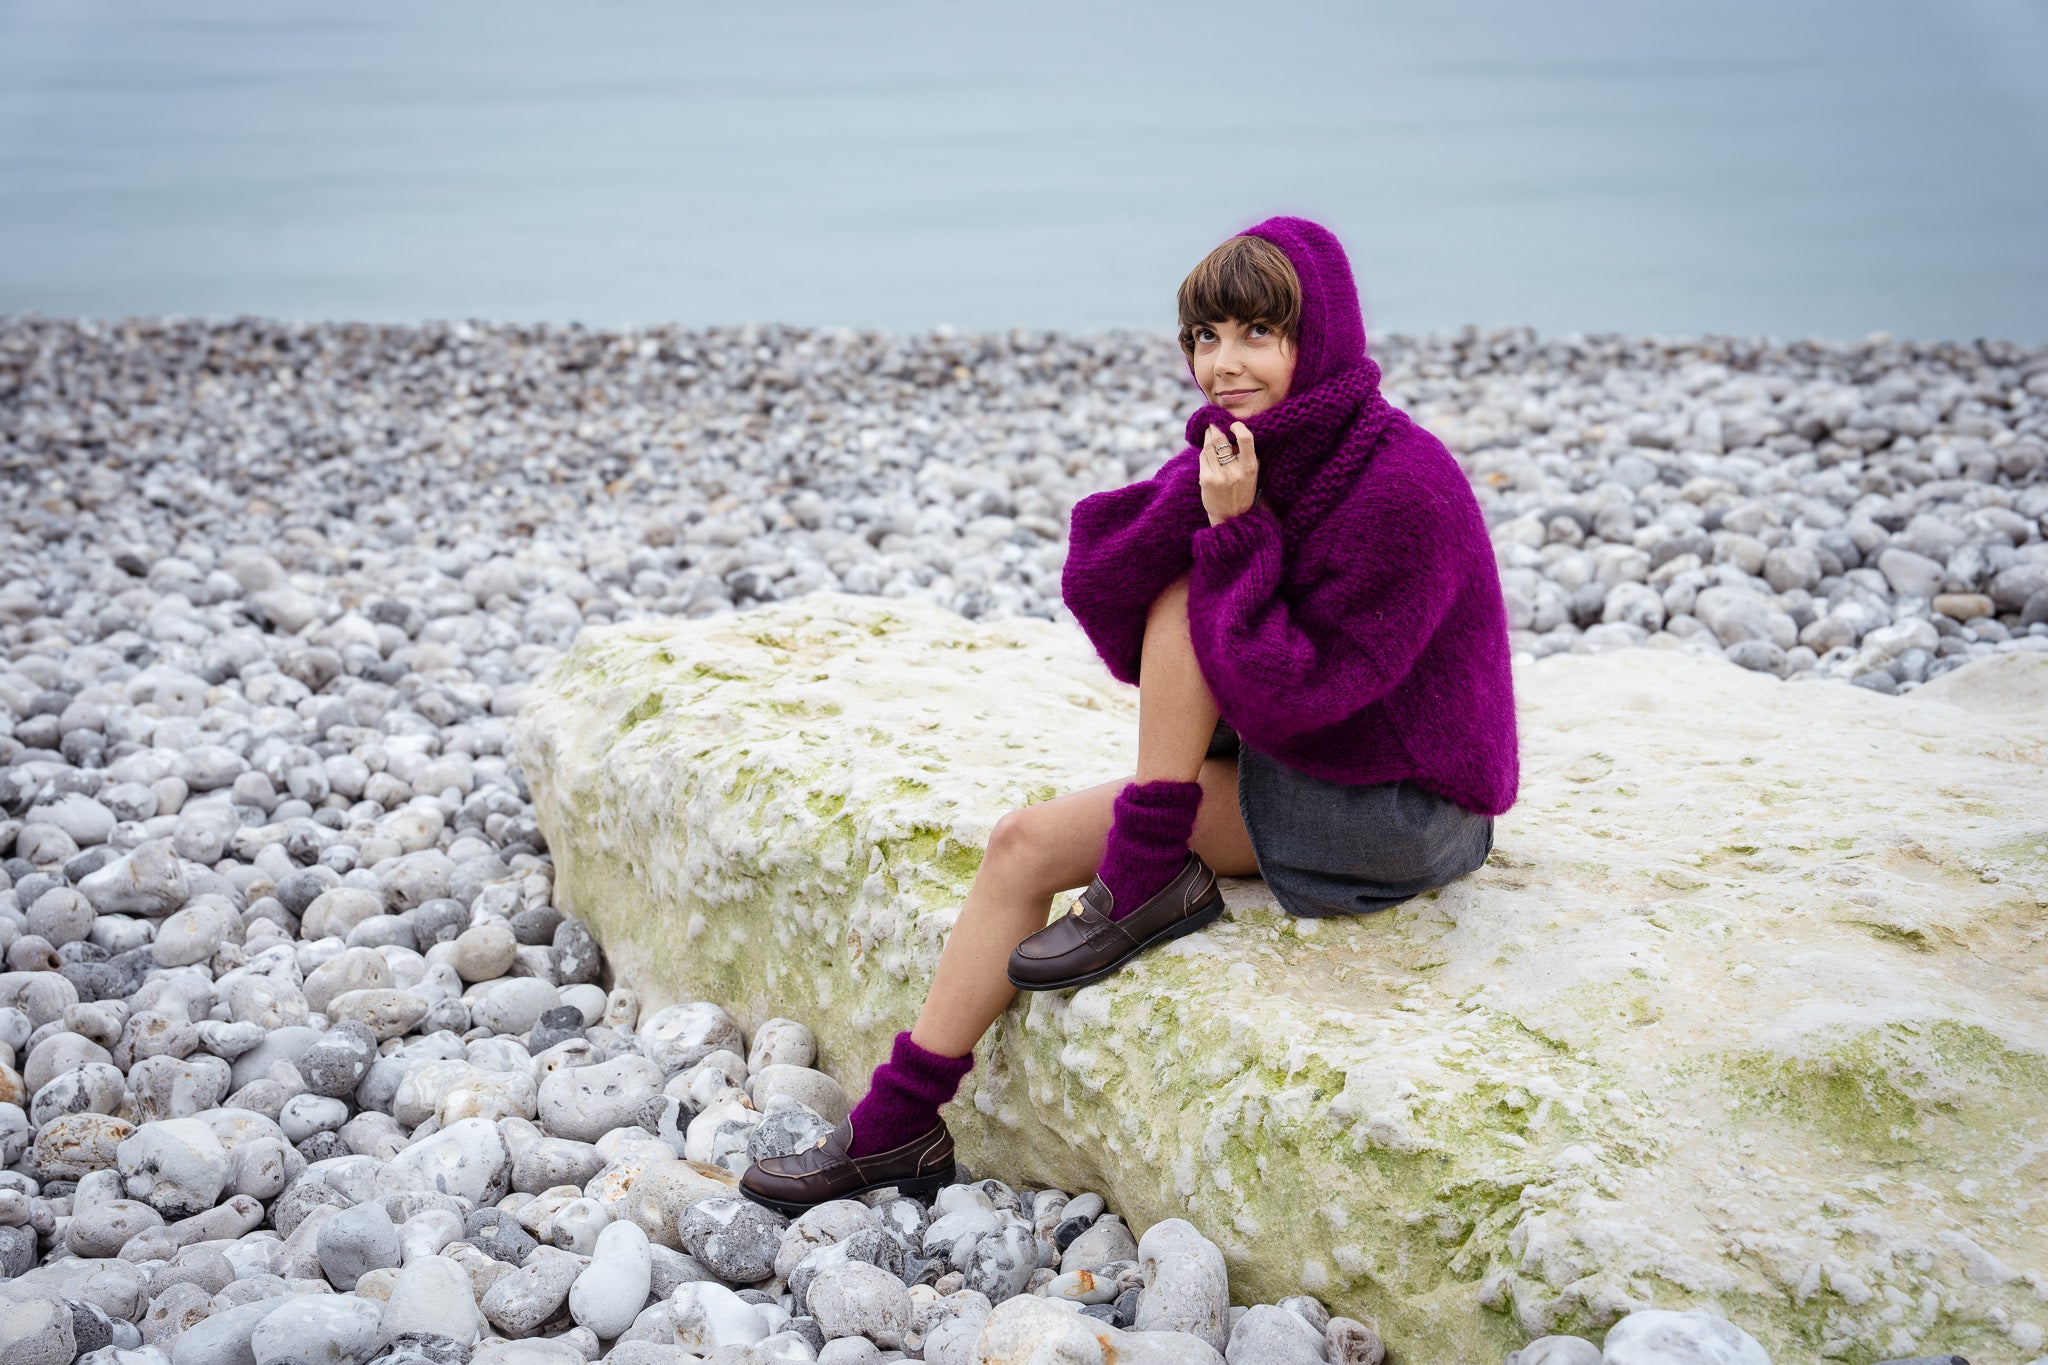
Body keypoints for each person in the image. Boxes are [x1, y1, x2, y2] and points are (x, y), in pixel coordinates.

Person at [739, 215, 1518, 1215]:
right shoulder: (1250, 452)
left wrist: (1235, 538)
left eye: (1257, 333)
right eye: (1205, 336)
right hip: (1305, 750)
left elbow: (1299, 695)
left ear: (1316, 336)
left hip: (1397, 803)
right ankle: (902, 1125)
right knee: (1020, 842)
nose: (1223, 364)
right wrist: (1210, 511)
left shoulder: (1405, 489)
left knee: (1199, 584)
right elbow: (1105, 577)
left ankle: (1149, 870)